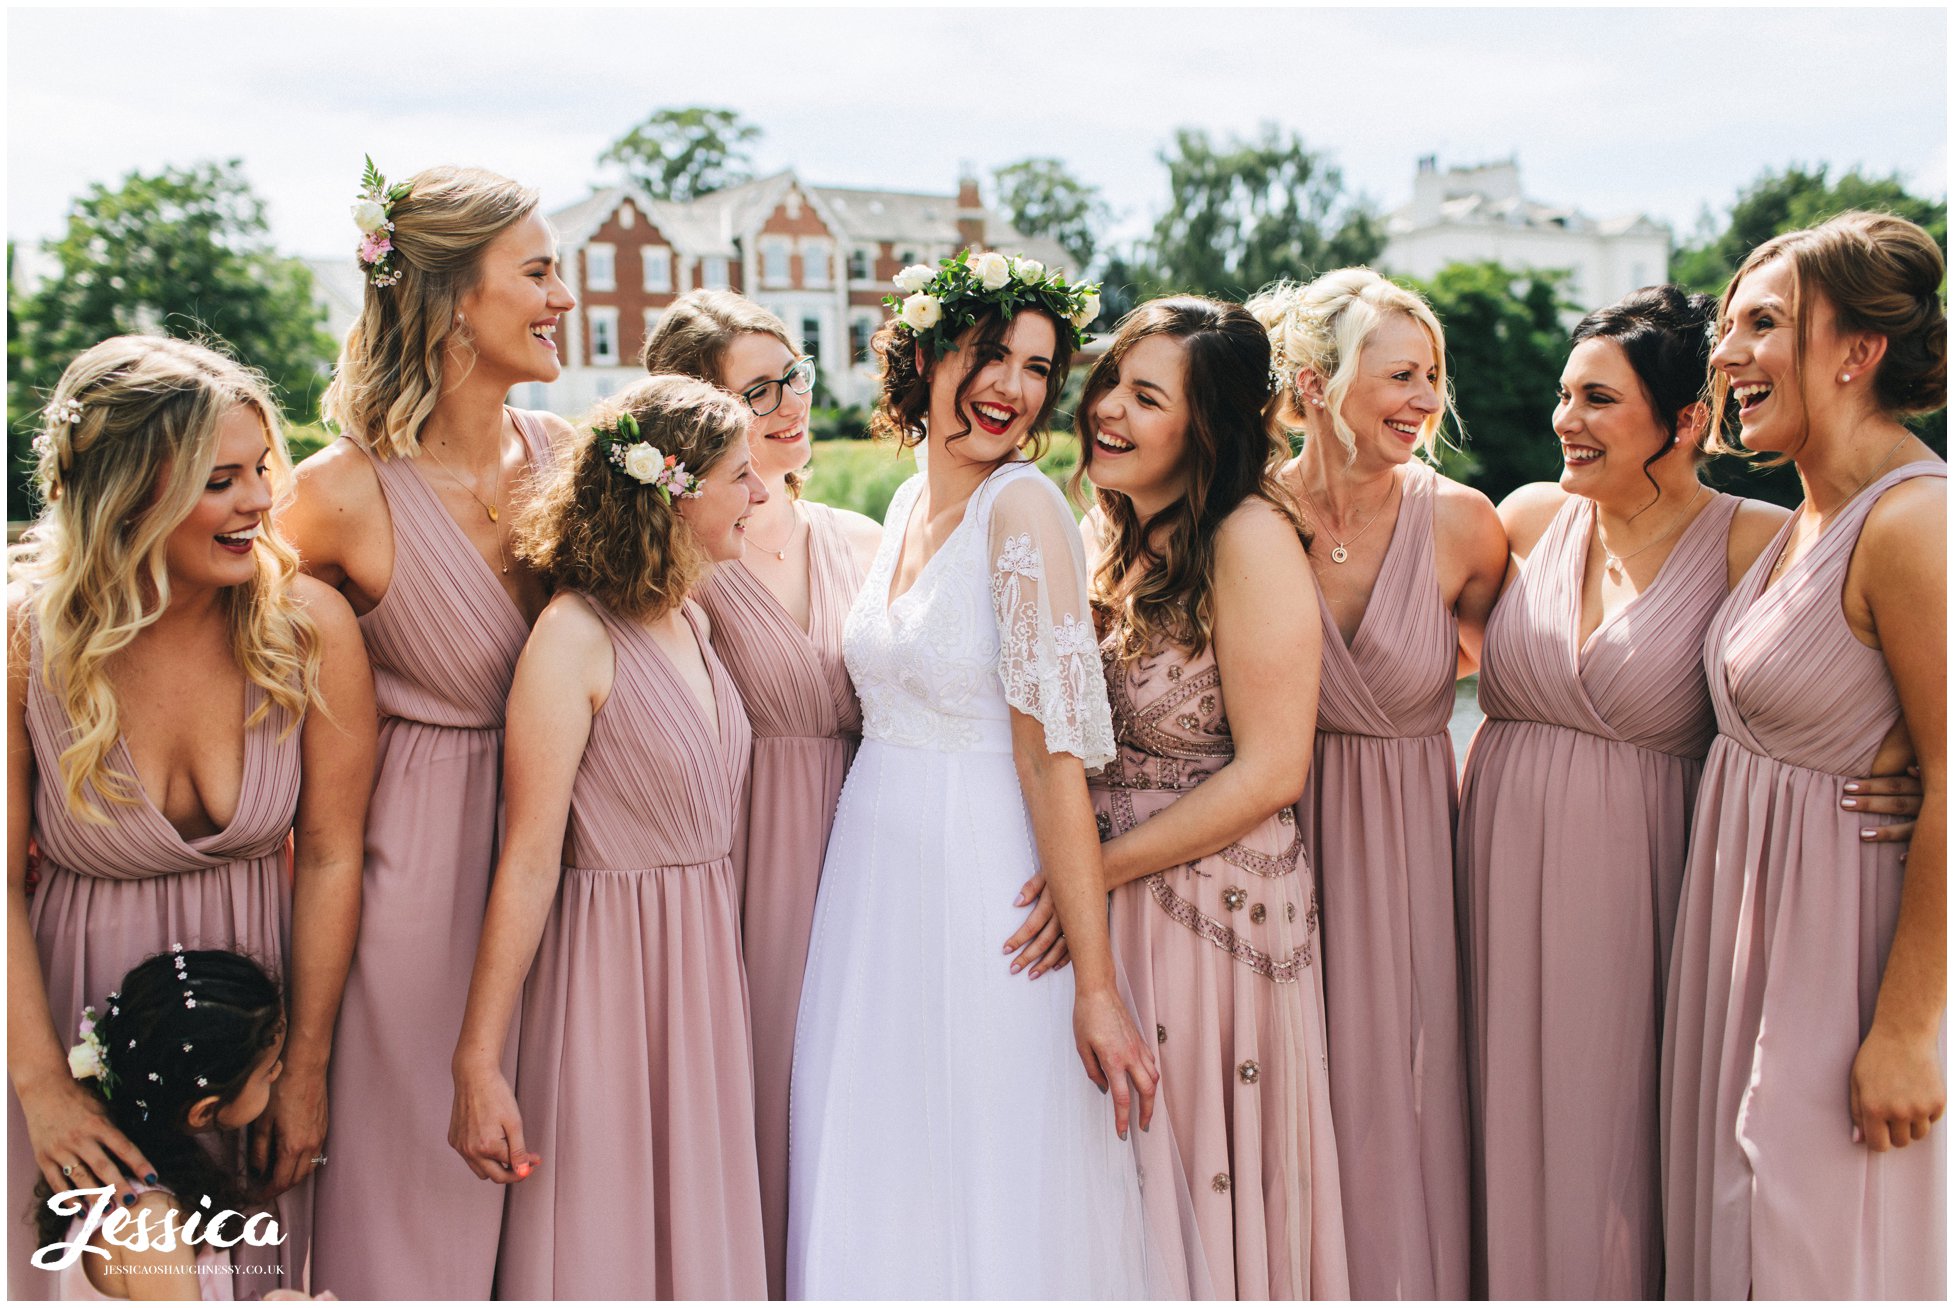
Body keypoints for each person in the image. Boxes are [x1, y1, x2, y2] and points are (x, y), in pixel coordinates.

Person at [788, 252, 1164, 1297]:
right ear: (923, 354)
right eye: (988, 354)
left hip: (981, 872)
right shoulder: (905, 504)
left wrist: (1094, 984)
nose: (1011, 386)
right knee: (885, 1142)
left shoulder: (1024, 509)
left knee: (988, 1147)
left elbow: (1053, 761)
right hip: (873, 876)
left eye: (1038, 368)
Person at [7, 338, 373, 1300]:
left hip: (253, 1036)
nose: (261, 500)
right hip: (65, 1020)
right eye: (223, 480)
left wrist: (302, 1065)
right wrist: (42, 1090)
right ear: (129, 495)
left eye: (263, 468)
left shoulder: (305, 626)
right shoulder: (23, 641)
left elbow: (334, 857)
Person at [281, 160, 575, 1299]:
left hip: (568, 878)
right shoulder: (338, 492)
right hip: (413, 890)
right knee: (412, 1225)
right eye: (540, 272)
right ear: (454, 299)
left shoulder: (570, 458)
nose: (563, 299)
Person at [1454, 287, 1785, 1298]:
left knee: (1614, 1147)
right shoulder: (1524, 516)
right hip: (1490, 875)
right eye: (1563, 394)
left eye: (1596, 398)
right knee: (1486, 1119)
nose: (1564, 420)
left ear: (1686, 420)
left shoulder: (1755, 541)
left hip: (1646, 888)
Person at [1662, 211, 1946, 1299]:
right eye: (1726, 328)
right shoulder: (1797, 517)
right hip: (1736, 944)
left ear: (1855, 351)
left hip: (1839, 966)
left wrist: (1907, 1032)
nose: (1724, 355)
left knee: (1802, 1250)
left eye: (1761, 325)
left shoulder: (1912, 523)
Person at [449, 375, 770, 1299]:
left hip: (704, 971)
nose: (761, 494)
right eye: (742, 476)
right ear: (674, 490)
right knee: (609, 1239)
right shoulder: (572, 637)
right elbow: (528, 857)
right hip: (607, 980)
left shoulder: (693, 619)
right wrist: (479, 1058)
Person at [1072, 295, 1348, 1298]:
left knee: (1185, 1175)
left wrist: (1089, 874)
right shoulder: (1104, 539)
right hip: (1104, 906)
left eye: (1146, 397)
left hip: (1209, 907)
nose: (1108, 408)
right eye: (1110, 381)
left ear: (1207, 429)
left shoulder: (1249, 537)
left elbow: (1273, 769)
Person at [1248, 268, 1505, 1299]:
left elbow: (1549, 685)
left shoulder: (1465, 526)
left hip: (1409, 854)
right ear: (1314, 385)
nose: (1425, 400)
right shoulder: (1244, 517)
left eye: (1431, 377)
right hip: (1266, 846)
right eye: (1400, 374)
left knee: (1406, 1099)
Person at [638, 292, 879, 1297]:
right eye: (757, 389)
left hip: (865, 849)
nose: (789, 404)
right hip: (741, 859)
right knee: (761, 1089)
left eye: (796, 379)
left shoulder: (864, 538)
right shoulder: (679, 564)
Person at [39, 950, 289, 1301]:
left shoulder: (132, 1196)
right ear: (203, 1111)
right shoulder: (151, 1222)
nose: (278, 1075)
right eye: (266, 1073)